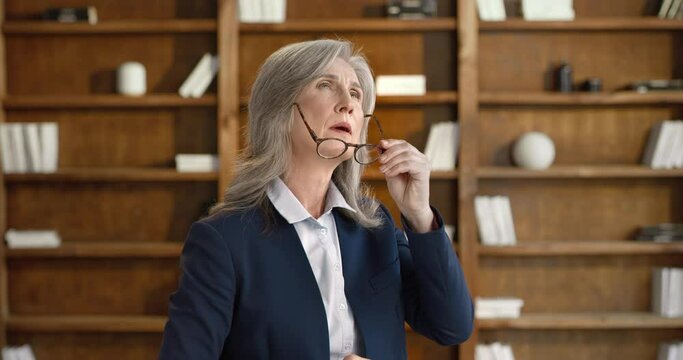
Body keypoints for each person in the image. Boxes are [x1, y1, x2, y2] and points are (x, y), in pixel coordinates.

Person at [159, 39, 473, 360]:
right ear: (279, 109)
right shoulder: (223, 240)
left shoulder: (374, 223)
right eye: (326, 84)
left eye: (355, 93)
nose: (348, 104)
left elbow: (451, 326)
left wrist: (418, 213)